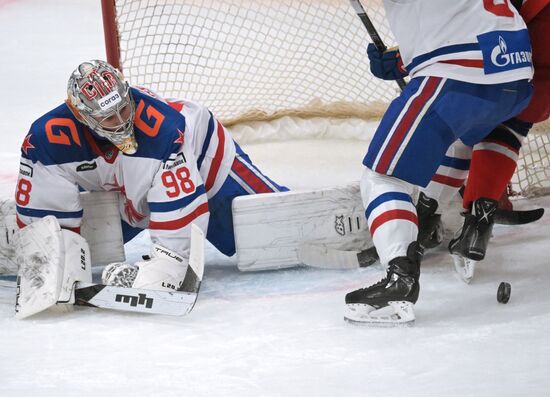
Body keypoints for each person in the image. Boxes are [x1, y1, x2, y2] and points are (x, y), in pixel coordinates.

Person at [14, 60, 287, 291]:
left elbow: (182, 210)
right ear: (81, 115)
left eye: (123, 108)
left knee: (268, 231)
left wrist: (167, 266)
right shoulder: (45, 139)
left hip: (199, 154)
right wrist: (50, 257)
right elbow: (46, 196)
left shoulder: (166, 131)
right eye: (109, 117)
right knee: (76, 247)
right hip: (119, 182)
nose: (122, 121)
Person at [344, 0, 534, 325]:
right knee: (456, 135)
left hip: (458, 73)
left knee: (383, 175)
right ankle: (425, 216)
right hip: (513, 76)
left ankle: (399, 275)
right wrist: (406, 59)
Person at [413, 0, 550, 282]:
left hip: (520, 33)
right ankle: (478, 222)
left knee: (480, 116)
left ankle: (426, 218)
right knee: (512, 123)